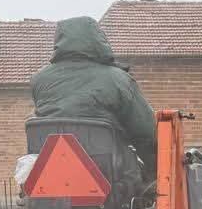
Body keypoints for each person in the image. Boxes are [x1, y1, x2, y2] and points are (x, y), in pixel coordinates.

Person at [30, 16, 156, 168]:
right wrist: (154, 168)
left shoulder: (39, 79)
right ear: (98, 40)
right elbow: (146, 133)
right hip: (109, 174)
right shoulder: (118, 79)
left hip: (51, 169)